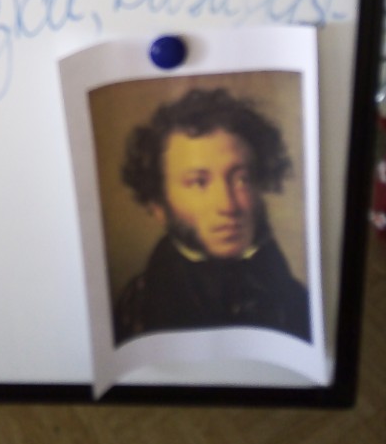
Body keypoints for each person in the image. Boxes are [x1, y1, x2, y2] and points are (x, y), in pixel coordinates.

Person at [113, 86, 311, 344]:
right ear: (159, 204)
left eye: (241, 179)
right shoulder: (136, 308)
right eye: (199, 182)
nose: (227, 206)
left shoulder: (294, 299)